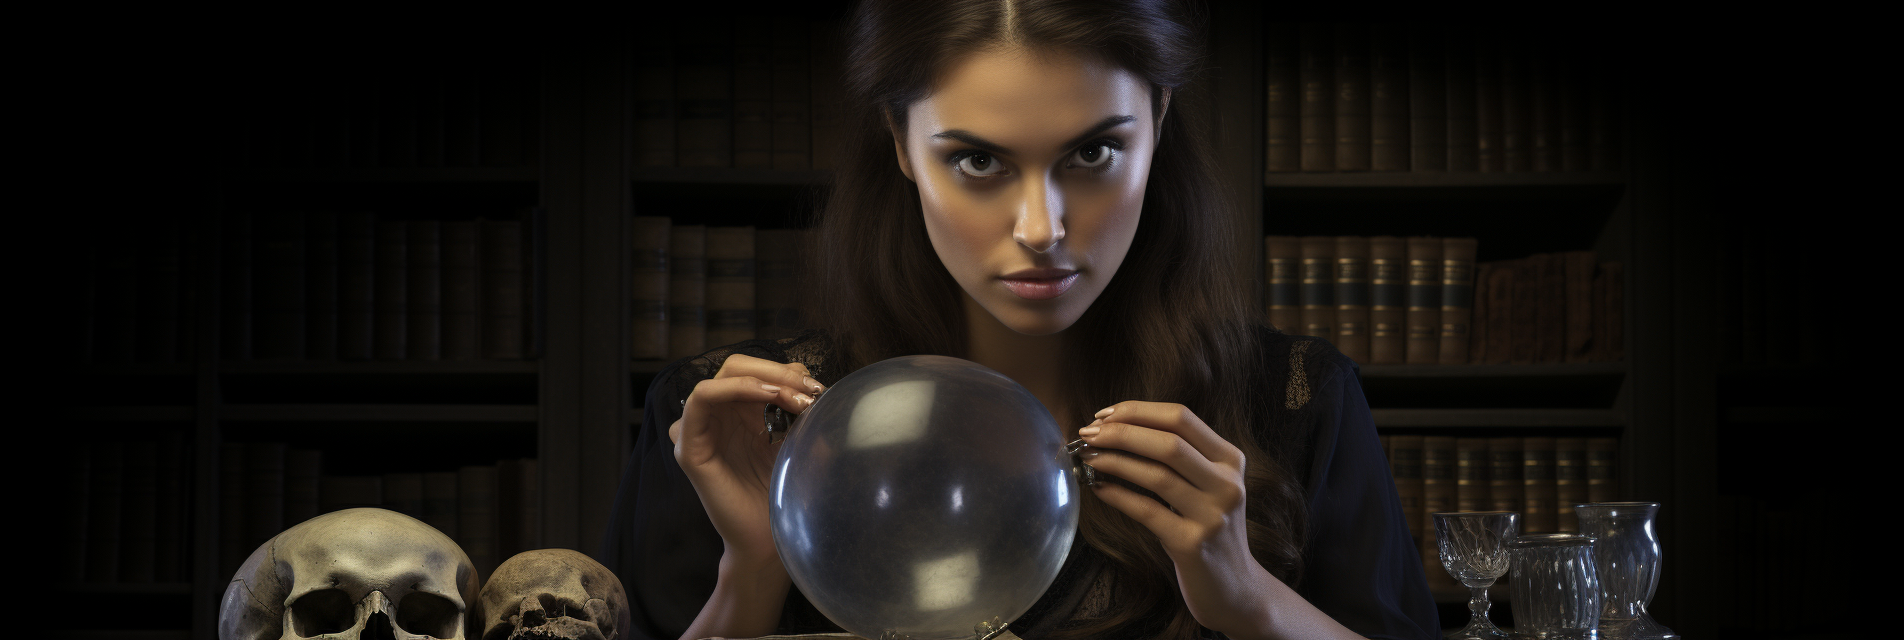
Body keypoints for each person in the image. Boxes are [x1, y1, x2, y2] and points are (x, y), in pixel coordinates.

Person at [602, 1, 1441, 638]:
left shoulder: (1298, 403)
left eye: (1092, 154)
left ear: (1159, 120)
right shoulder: (737, 431)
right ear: (899, 142)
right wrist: (751, 574)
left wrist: (1253, 598)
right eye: (976, 160)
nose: (1040, 229)